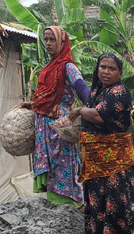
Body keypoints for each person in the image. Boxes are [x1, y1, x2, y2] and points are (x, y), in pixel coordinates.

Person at [68, 53, 134, 234]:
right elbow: (81, 90)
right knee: (98, 200)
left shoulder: (119, 92)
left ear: (120, 73)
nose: (106, 71)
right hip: (95, 159)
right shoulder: (97, 92)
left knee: (120, 202)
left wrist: (80, 110)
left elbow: (99, 116)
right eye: (103, 67)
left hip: (116, 158)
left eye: (112, 68)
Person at [19, 26, 90, 207]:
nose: (48, 43)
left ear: (61, 42)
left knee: (64, 162)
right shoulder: (48, 68)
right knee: (50, 163)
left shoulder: (68, 66)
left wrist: (95, 102)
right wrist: (33, 106)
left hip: (60, 125)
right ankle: (55, 203)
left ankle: (74, 202)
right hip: (43, 123)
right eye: (46, 39)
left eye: (53, 40)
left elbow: (80, 86)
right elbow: (45, 97)